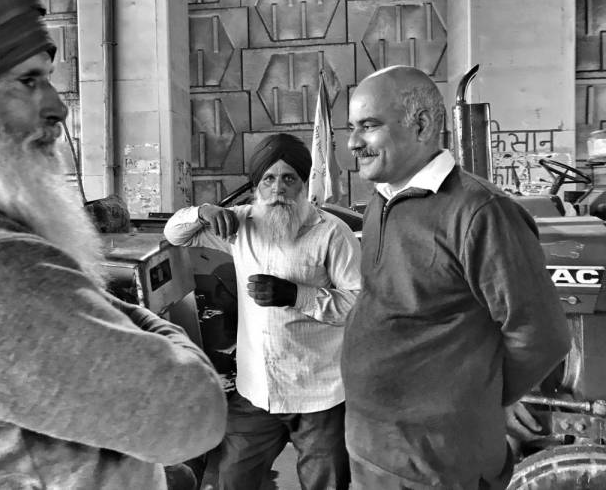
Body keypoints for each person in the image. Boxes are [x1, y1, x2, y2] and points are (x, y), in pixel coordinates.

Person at [0, 0, 226, 489]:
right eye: (28, 81)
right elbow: (194, 414)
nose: (58, 107)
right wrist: (164, 334)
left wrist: (88, 304)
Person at [342, 65, 571, 489]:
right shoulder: (380, 203)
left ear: (422, 124)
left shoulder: (480, 212)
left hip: (439, 466)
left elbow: (542, 335)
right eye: (352, 128)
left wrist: (485, 396)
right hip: (373, 451)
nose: (353, 142)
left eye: (368, 126)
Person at [164, 133, 361, 490]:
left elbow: (359, 306)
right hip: (258, 392)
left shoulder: (333, 233)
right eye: (269, 179)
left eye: (289, 179)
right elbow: (176, 235)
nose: (278, 189)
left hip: (320, 394)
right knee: (232, 480)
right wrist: (203, 211)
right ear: (257, 186)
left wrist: (298, 295)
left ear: (304, 185)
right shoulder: (239, 224)